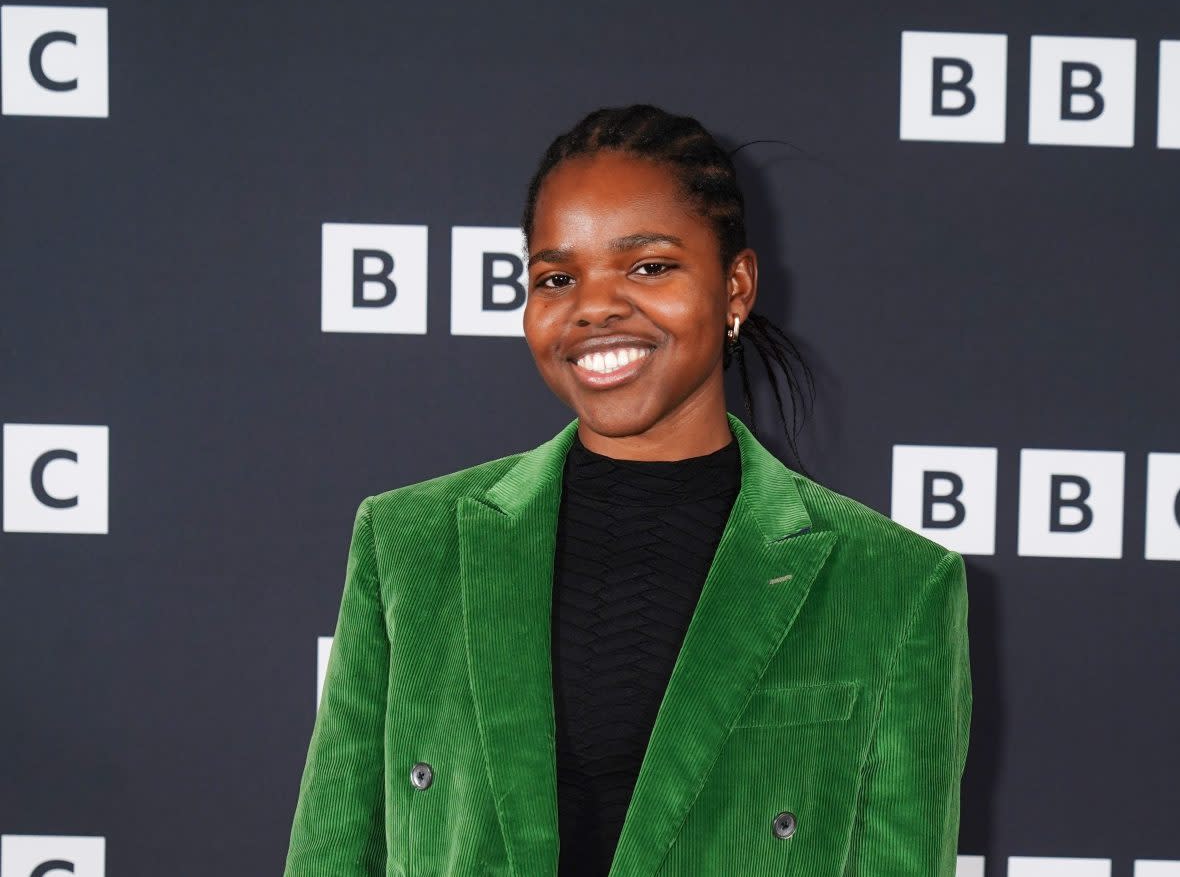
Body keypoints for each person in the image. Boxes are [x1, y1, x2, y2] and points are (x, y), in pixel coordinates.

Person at [283, 104, 972, 876]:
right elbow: (331, 854)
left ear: (736, 286)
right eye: (556, 277)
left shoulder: (893, 583)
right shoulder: (408, 544)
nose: (595, 306)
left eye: (648, 266)